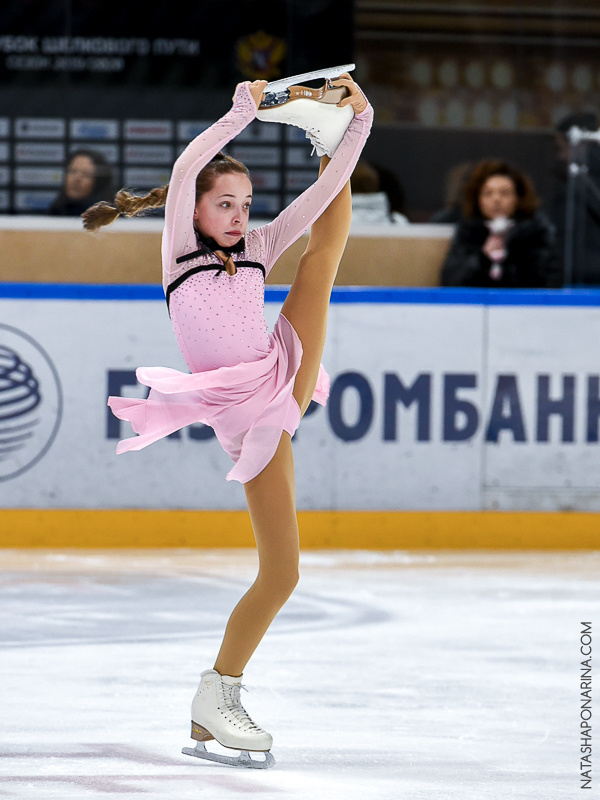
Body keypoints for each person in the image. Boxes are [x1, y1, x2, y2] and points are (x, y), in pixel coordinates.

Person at [82, 73, 373, 767]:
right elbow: (187, 167)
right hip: (247, 411)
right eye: (225, 203)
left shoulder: (258, 254)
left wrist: (357, 129)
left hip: (279, 371)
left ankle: (324, 137)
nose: (240, 214)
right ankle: (217, 694)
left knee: (323, 256)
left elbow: (322, 204)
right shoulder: (180, 256)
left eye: (245, 203)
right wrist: (244, 110)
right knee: (282, 572)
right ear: (197, 211)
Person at [440, 159, 562, 288]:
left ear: (518, 198)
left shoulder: (536, 232)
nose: (496, 199)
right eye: (488, 193)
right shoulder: (468, 232)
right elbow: (451, 282)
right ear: (478, 200)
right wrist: (483, 259)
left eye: (504, 193)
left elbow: (550, 282)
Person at [550, 111, 600, 285]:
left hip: (581, 281)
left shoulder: (572, 191)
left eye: (560, 148)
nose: (559, 157)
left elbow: (566, 252)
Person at [48, 149, 114, 216]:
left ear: (99, 182)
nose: (77, 179)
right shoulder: (54, 213)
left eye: (86, 174)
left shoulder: (113, 220)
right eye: (72, 171)